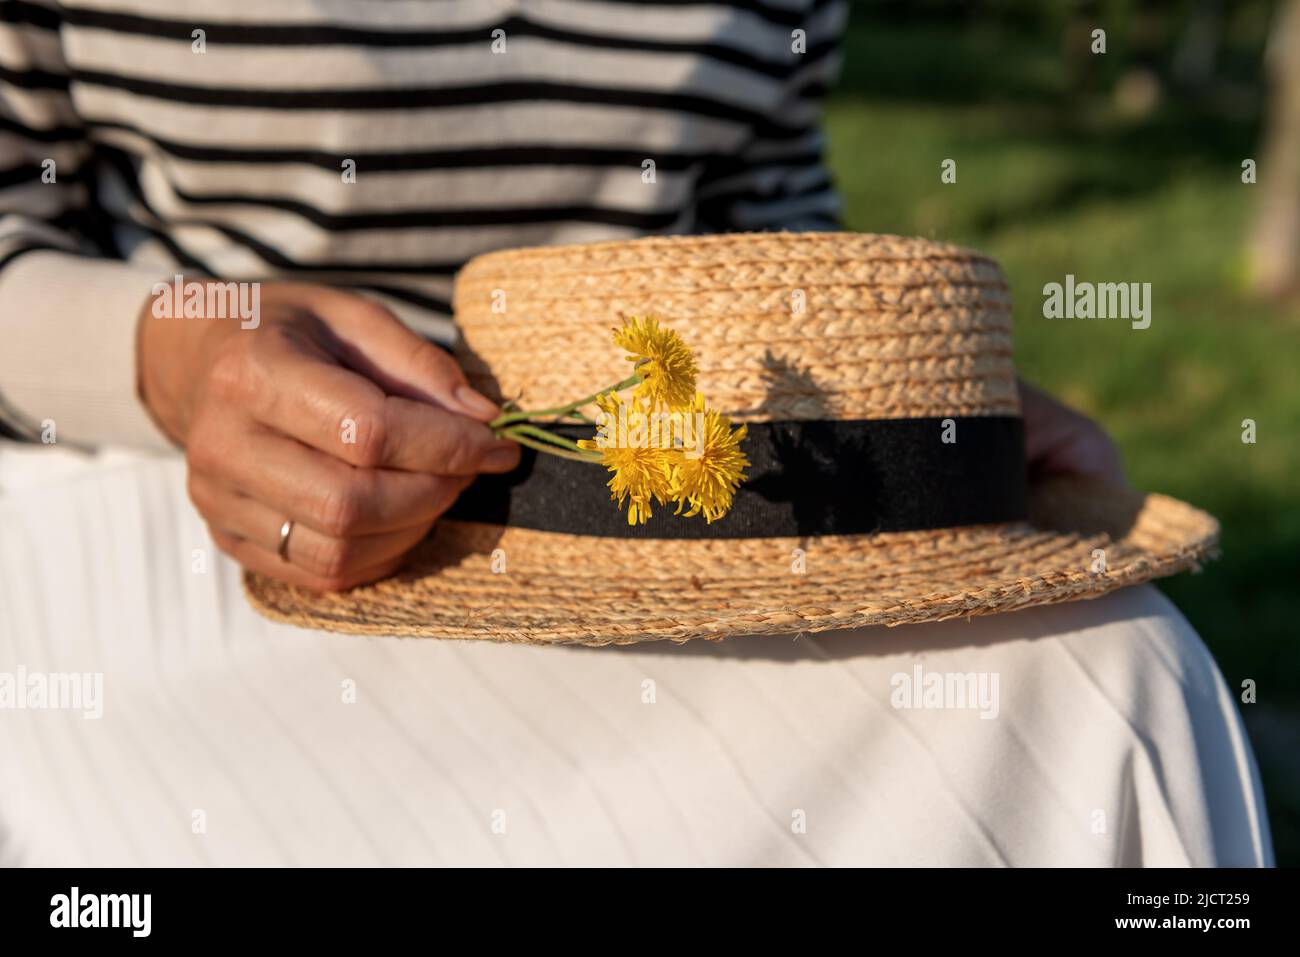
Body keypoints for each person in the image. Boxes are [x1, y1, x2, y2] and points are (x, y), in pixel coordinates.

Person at [0, 0, 1271, 866]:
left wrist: (911, 415)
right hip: (196, 499)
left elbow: (765, 210)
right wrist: (181, 357)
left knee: (1110, 668)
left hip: (689, 522)